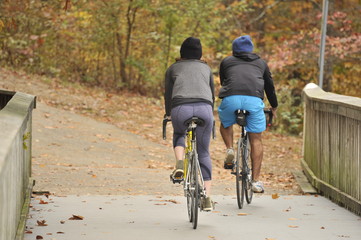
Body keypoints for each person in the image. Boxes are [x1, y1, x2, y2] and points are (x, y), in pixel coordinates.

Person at [218, 35, 278, 193]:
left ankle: (230, 149)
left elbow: (223, 81)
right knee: (256, 139)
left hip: (231, 97)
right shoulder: (261, 63)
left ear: (234, 50)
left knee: (225, 124)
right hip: (253, 99)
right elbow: (269, 87)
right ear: (251, 49)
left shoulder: (226, 61)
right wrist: (274, 106)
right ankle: (255, 181)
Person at [164, 37, 215, 210]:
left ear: (182, 53)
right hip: (204, 109)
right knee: (204, 152)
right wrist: (210, 113)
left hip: (181, 108)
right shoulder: (206, 68)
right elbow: (212, 95)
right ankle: (207, 197)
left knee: (179, 133)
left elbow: (168, 95)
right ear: (199, 53)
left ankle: (180, 164)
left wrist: (169, 113)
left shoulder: (173, 68)